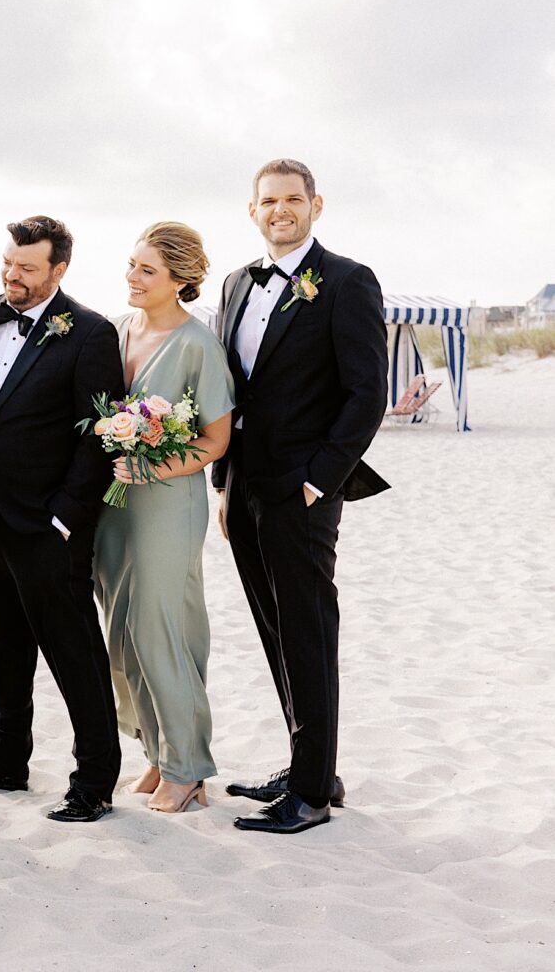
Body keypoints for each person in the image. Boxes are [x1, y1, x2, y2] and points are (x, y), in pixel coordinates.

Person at [215, 159, 388, 834]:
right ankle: (311, 763)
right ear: (252, 210)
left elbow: (366, 393)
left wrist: (320, 480)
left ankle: (311, 794)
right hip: (246, 488)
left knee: (309, 633)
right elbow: (232, 394)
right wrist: (224, 486)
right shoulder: (234, 284)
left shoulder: (347, 281)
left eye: (293, 199)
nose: (280, 210)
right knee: (274, 629)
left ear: (316, 205)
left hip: (304, 491)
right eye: (268, 201)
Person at [0, 216, 123, 823]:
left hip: (47, 523)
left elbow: (97, 435)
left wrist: (67, 519)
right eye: (8, 263)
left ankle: (93, 781)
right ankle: (5, 761)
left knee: (72, 651)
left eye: (27, 268)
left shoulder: (90, 333)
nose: (12, 276)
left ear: (58, 270)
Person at [93, 222, 234, 815]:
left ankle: (188, 766)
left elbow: (215, 442)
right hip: (112, 503)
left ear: (180, 279)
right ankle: (157, 750)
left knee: (160, 628)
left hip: (168, 504)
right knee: (121, 632)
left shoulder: (199, 345)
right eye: (131, 265)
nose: (131, 277)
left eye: (146, 270)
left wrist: (155, 467)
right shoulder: (118, 329)